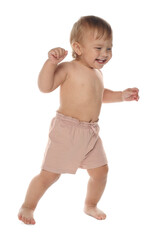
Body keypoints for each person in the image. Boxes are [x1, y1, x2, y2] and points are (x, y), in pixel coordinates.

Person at [18, 15, 139, 225]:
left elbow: (98, 95)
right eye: (99, 48)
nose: (105, 54)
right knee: (49, 175)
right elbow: (44, 87)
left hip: (91, 132)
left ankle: (90, 204)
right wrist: (51, 63)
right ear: (78, 47)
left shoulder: (97, 73)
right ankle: (28, 206)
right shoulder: (68, 68)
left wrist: (121, 95)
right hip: (68, 130)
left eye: (109, 48)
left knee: (101, 172)